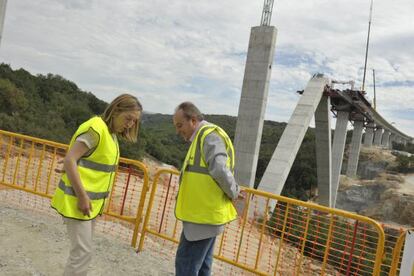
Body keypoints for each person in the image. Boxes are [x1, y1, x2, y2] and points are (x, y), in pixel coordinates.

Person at [51, 94, 142, 276]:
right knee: (82, 253)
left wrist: (71, 166)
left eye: (134, 121)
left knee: (83, 252)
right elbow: (71, 159)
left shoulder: (110, 134)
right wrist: (83, 196)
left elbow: (81, 160)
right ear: (116, 111)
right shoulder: (96, 129)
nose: (130, 124)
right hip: (77, 202)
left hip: (89, 205)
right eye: (128, 118)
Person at [173, 102, 240, 276]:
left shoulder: (208, 136)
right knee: (202, 266)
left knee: (186, 265)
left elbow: (219, 169)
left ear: (193, 120)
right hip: (203, 215)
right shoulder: (202, 137)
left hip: (203, 216)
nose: (178, 130)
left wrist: (234, 191)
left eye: (180, 125)